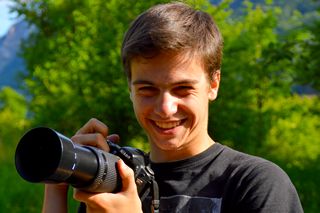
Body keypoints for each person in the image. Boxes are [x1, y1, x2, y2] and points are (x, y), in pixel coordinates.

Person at [42, 2, 303, 213]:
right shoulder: (116, 183)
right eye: (147, 90)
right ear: (130, 88)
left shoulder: (256, 183)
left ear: (214, 84)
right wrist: (60, 178)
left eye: (182, 89)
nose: (165, 108)